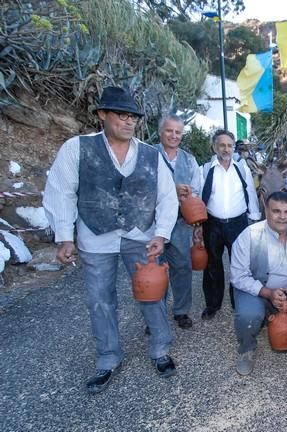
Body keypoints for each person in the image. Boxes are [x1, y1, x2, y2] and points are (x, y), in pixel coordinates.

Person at [43, 86, 179, 393]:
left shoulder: (150, 154)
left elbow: (167, 198)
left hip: (140, 235)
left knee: (153, 293)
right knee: (100, 300)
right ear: (102, 114)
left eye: (133, 116)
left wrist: (161, 233)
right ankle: (107, 357)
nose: (129, 122)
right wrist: (65, 236)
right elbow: (61, 192)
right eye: (121, 114)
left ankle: (160, 350)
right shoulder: (77, 148)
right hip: (95, 235)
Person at [230, 191, 287, 375]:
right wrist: (268, 293)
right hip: (256, 289)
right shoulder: (250, 236)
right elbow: (238, 276)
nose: (282, 217)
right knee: (248, 317)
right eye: (276, 211)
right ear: (266, 210)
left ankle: (272, 315)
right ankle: (247, 348)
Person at [199, 129, 261, 320]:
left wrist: (255, 219)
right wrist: (197, 226)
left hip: (238, 223)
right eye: (222, 145)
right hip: (213, 224)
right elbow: (198, 197)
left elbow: (250, 193)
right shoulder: (205, 169)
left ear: (234, 147)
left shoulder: (241, 169)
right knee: (212, 264)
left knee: (240, 265)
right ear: (214, 147)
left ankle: (238, 302)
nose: (226, 149)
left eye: (229, 145)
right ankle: (213, 304)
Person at [154, 114, 202, 329]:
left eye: (178, 132)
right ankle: (155, 313)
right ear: (160, 132)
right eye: (169, 130)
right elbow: (138, 188)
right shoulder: (147, 155)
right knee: (155, 269)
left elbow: (197, 190)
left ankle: (181, 310)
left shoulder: (189, 160)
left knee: (182, 267)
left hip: (181, 223)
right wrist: (170, 190)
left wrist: (189, 196)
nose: (173, 135)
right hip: (152, 224)